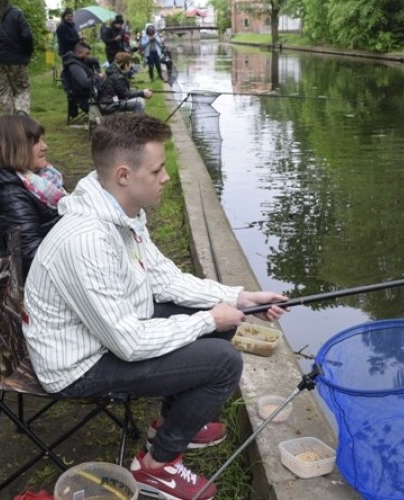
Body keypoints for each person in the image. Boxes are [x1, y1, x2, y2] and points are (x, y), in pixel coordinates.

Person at [22, 114, 288, 500]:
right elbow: (128, 343)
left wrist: (239, 298)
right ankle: (157, 466)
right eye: (158, 170)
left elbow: (164, 278)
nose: (165, 178)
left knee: (223, 323)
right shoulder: (87, 239)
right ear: (125, 175)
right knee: (224, 361)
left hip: (108, 333)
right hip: (78, 363)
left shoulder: (119, 212)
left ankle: (168, 426)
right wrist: (207, 319)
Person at [0, 115, 65, 278]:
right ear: (16, 147)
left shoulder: (36, 181)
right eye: (36, 142)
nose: (45, 146)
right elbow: (31, 257)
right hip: (40, 286)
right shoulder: (11, 194)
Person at [0, 6, 34, 115]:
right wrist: (28, 53)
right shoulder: (16, 14)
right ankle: (22, 113)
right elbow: (27, 35)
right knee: (22, 88)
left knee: (2, 91)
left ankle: (7, 120)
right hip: (18, 59)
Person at [62, 42, 103, 122]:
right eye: (87, 54)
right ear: (79, 53)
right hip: (83, 96)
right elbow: (85, 83)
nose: (89, 56)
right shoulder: (74, 65)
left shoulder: (80, 62)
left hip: (89, 92)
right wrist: (99, 77)